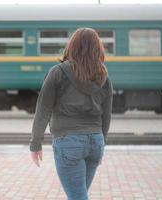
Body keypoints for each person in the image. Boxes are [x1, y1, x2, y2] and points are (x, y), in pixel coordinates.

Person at [29, 27, 113, 200]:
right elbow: (106, 115)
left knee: (77, 197)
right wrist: (102, 144)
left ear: (72, 46)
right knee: (78, 195)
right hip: (95, 142)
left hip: (69, 142)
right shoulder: (104, 76)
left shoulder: (58, 72)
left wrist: (35, 144)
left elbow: (42, 110)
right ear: (97, 49)